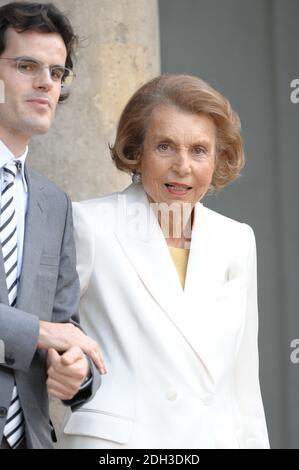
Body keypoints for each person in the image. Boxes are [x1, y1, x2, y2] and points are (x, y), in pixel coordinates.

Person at [60, 74, 270, 449]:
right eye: (165, 147)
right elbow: (46, 330)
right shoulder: (89, 225)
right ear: (136, 151)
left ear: (218, 158)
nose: (182, 166)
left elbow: (244, 387)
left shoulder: (237, 240)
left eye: (199, 150)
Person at [0, 2, 106, 450]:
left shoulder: (54, 203)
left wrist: (76, 370)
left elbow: (65, 329)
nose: (46, 82)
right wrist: (40, 333)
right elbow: (46, 330)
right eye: (27, 66)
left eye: (57, 73)